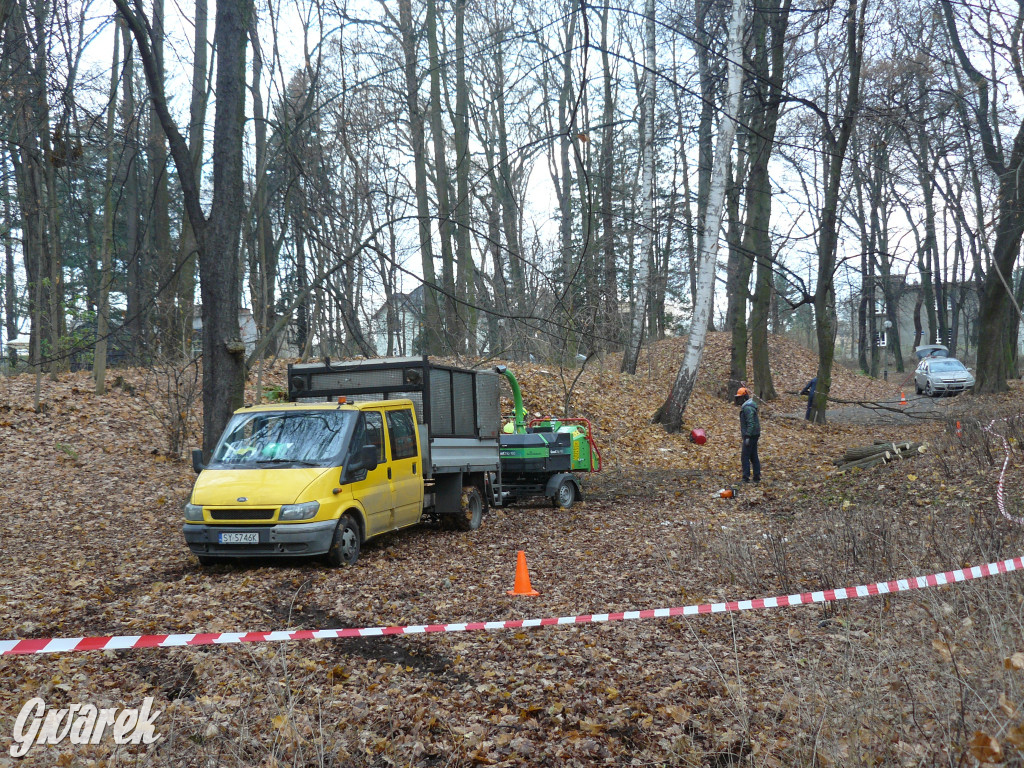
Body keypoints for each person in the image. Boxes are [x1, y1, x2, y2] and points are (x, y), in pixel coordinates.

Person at [736, 387, 761, 483]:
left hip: (751, 435)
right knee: (753, 455)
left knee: (745, 456)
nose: (738, 400)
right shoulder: (749, 406)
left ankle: (746, 477)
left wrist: (747, 436)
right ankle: (756, 476)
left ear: (744, 397)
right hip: (754, 434)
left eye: (740, 397)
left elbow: (751, 423)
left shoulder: (747, 408)